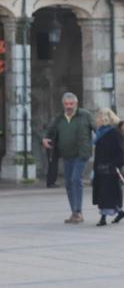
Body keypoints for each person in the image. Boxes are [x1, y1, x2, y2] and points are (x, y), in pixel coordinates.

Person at [43, 93, 95, 224]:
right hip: (66, 154)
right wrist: (45, 138)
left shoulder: (85, 115)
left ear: (76, 104)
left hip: (82, 153)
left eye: (71, 104)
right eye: (66, 104)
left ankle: (78, 211)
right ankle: (74, 212)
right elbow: (50, 130)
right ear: (63, 104)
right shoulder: (59, 118)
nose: (69, 107)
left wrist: (101, 142)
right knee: (68, 183)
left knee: (75, 179)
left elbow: (97, 129)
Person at [92, 110, 124, 226]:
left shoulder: (114, 132)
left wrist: (117, 164)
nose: (101, 119)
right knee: (105, 193)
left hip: (111, 167)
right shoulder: (99, 132)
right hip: (100, 166)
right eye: (100, 117)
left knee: (106, 193)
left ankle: (103, 218)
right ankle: (119, 212)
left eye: (104, 117)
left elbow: (120, 150)